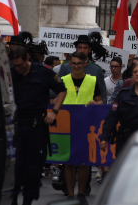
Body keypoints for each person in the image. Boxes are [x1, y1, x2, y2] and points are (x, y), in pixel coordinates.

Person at [9, 46, 67, 205]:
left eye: (20, 65)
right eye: (14, 65)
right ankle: (12, 198)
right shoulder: (11, 73)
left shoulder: (43, 72)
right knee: (15, 165)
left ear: (27, 59)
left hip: (36, 127)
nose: (17, 68)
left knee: (33, 167)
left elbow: (62, 90)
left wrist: (54, 111)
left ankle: (28, 200)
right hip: (17, 126)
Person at [61, 52, 103, 204]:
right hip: (68, 124)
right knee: (69, 160)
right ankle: (71, 194)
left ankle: (80, 194)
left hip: (86, 124)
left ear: (85, 63)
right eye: (74, 63)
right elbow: (56, 100)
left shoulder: (92, 80)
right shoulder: (63, 80)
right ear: (70, 64)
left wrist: (95, 103)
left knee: (84, 161)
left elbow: (100, 102)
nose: (76, 66)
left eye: (79, 63)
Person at [58, 35, 108, 104]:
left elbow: (102, 95)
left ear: (89, 50)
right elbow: (57, 90)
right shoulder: (65, 67)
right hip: (67, 111)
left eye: (85, 48)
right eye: (80, 47)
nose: (82, 50)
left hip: (88, 111)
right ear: (76, 48)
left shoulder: (97, 69)